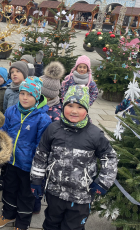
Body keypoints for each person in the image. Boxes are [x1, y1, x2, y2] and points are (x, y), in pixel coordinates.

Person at [30, 85, 118, 230]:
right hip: (54, 193)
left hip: (81, 197)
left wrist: (102, 183)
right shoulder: (53, 129)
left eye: (80, 107)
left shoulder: (95, 134)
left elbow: (110, 158)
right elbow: (41, 155)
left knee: (73, 227)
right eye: (70, 105)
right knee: (51, 224)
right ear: (63, 105)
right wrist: (36, 180)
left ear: (87, 110)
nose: (74, 111)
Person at [0, 77, 52, 230]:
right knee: (9, 189)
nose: (25, 98)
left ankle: (22, 222)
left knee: (26, 194)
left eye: (30, 95)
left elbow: (43, 146)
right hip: (11, 161)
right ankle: (8, 214)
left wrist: (37, 165)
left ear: (37, 96)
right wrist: (1, 148)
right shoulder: (11, 110)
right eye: (22, 93)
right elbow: (3, 130)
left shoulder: (42, 118)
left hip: (29, 165)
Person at [31, 61, 65, 214]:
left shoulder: (56, 113)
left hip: (45, 154)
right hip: (32, 150)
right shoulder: (36, 104)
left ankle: (36, 204)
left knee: (39, 180)